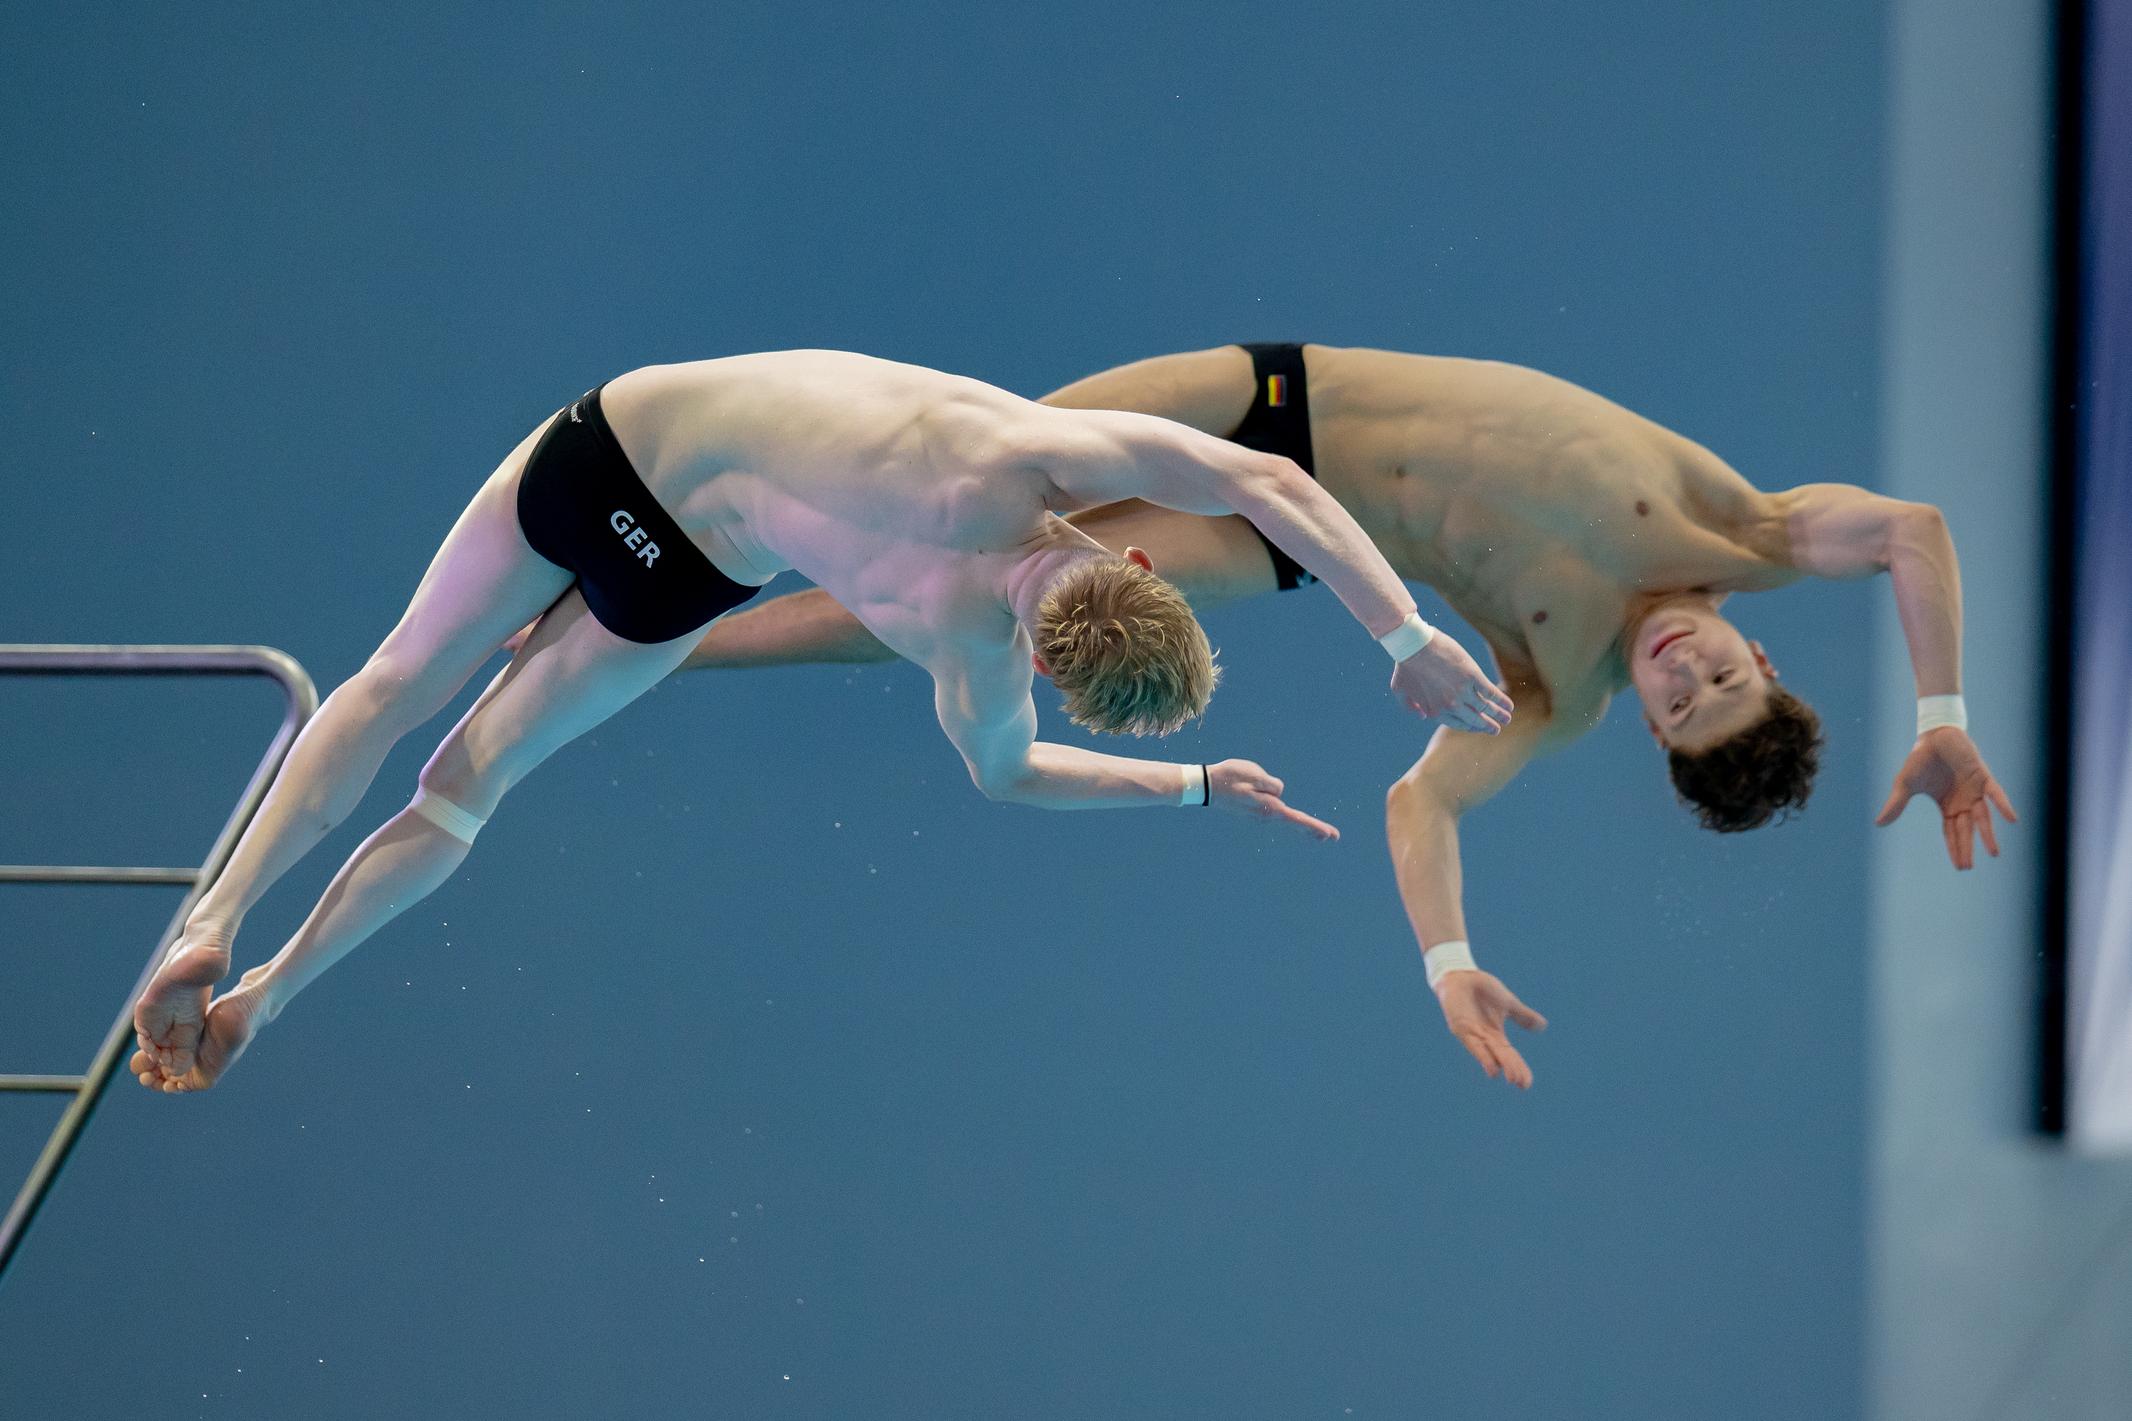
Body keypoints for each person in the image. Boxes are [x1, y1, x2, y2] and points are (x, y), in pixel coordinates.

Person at [130, 350, 1510, 1094]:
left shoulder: (1023, 455)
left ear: (1139, 563)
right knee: (459, 793)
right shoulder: (974, 661)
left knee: (390, 683)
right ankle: (267, 996)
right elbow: (1013, 778)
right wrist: (1194, 786)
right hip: (683, 579)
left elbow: (1270, 481)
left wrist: (1406, 635)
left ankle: (216, 914)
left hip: (618, 444)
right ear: (1058, 661)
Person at [659, 343, 2018, 1089]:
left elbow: (1422, 801)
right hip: (1274, 398)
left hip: (1299, 540)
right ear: (1758, 643)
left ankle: (660, 651)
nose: (1687, 670)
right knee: (964, 485)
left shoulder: (1556, 693)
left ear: (1653, 732)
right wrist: (1944, 707)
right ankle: (693, 454)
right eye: (1726, 673)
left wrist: (1448, 961)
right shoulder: (1749, 532)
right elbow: (1912, 530)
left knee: (955, 603)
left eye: (1683, 706)